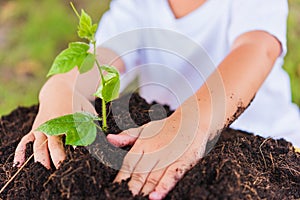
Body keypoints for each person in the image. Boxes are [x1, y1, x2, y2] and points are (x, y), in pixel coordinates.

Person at [14, 0, 300, 199]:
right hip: (161, 137)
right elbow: (106, 57)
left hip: (264, 142)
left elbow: (257, 48)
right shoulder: (141, 4)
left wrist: (192, 123)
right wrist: (62, 86)